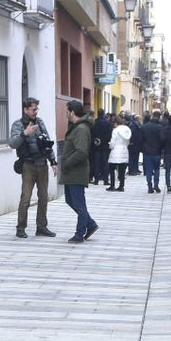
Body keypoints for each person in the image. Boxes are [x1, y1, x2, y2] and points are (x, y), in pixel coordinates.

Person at [8, 96, 57, 238]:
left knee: (43, 197)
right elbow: (12, 144)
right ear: (25, 109)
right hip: (28, 165)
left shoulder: (40, 123)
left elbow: (47, 143)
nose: (36, 112)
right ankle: (20, 228)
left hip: (42, 164)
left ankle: (41, 227)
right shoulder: (18, 125)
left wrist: (53, 161)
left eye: (36, 109)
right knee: (26, 198)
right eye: (33, 109)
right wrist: (25, 134)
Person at [58, 100, 98, 243]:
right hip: (71, 171)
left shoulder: (81, 129)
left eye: (66, 111)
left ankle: (79, 234)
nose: (65, 113)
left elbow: (81, 152)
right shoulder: (76, 127)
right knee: (70, 200)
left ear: (72, 112)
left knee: (79, 204)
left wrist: (67, 163)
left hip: (77, 171)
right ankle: (91, 224)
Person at [140, 111, 164, 193]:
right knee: (157, 169)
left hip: (147, 152)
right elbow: (162, 139)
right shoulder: (160, 127)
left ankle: (149, 186)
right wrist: (161, 148)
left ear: (152, 116)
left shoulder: (144, 127)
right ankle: (156, 185)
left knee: (148, 170)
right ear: (159, 117)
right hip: (157, 151)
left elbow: (141, 140)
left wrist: (142, 149)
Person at [106, 114, 131, 192]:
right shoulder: (127, 130)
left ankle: (112, 185)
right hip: (124, 150)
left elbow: (112, 142)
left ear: (115, 122)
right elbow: (128, 142)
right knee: (122, 170)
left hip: (116, 151)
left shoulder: (115, 130)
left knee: (112, 168)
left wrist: (110, 146)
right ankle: (121, 186)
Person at [91, 108, 114, 185]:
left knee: (96, 163)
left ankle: (96, 180)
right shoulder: (108, 123)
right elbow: (109, 135)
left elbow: (92, 134)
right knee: (105, 163)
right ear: (103, 114)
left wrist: (96, 140)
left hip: (96, 146)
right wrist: (103, 140)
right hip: (105, 146)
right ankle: (106, 180)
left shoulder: (95, 123)